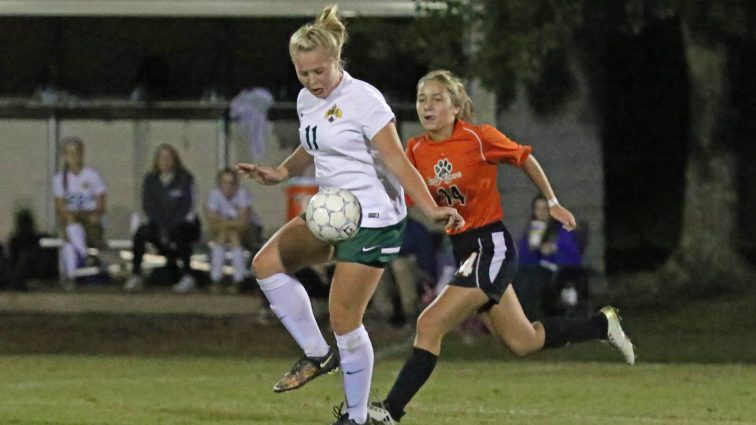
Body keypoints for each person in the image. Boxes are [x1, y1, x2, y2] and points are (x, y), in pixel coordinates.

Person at [368, 70, 636, 425]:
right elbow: (405, 193)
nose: (427, 106)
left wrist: (552, 201)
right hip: (465, 251)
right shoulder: (416, 149)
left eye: (437, 99)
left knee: (429, 323)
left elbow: (524, 157)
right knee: (523, 341)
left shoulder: (478, 138)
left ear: (455, 106)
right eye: (421, 99)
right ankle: (601, 325)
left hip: (490, 246)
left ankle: (389, 412)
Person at [237, 6, 464, 425]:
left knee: (345, 320)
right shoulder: (308, 100)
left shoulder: (364, 100)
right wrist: (283, 170)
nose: (311, 81)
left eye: (318, 72)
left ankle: (357, 418)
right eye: (303, 73)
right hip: (332, 211)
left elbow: (397, 160)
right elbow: (313, 144)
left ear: (336, 60)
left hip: (374, 217)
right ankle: (318, 354)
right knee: (266, 264)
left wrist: (430, 206)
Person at [124, 144, 201, 293]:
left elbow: (188, 206)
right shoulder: (150, 180)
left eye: (168, 157)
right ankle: (136, 274)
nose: (165, 161)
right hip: (158, 224)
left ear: (175, 160)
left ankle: (187, 275)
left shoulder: (185, 179)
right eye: (162, 158)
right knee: (141, 233)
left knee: (181, 234)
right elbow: (148, 206)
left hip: (181, 224)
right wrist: (161, 226)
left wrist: (171, 226)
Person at [516, 194, 586, 317]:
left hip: (555, 273)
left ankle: (530, 322)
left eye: (545, 209)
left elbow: (574, 258)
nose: (541, 213)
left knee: (531, 280)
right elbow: (522, 259)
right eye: (538, 208)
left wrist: (554, 250)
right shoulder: (532, 230)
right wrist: (531, 249)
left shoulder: (562, 230)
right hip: (531, 270)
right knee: (518, 277)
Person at [52, 137, 107, 291]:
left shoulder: (92, 175)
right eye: (69, 153)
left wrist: (94, 214)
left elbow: (101, 203)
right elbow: (61, 206)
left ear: (81, 154)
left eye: (76, 153)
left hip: (90, 217)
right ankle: (84, 257)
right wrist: (70, 217)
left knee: (71, 236)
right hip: (72, 217)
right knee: (69, 229)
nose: (73, 157)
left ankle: (72, 275)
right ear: (65, 156)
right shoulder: (59, 179)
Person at [206, 167, 262, 294]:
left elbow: (244, 219)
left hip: (249, 229)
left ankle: (238, 279)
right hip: (225, 229)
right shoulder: (215, 194)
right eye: (224, 182)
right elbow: (211, 217)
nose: (228, 186)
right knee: (224, 236)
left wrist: (226, 224)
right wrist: (229, 225)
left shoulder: (243, 193)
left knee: (234, 236)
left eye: (231, 183)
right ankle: (217, 279)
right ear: (219, 184)